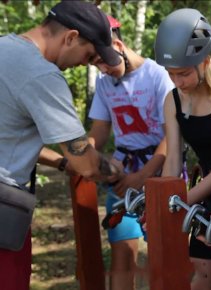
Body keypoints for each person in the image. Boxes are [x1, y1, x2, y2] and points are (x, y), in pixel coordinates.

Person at [0, 1, 123, 290]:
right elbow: (86, 163)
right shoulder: (41, 74)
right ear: (70, 37)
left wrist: (60, 162)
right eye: (88, 55)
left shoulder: (5, 48)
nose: (85, 63)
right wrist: (112, 171)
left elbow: (11, 137)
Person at [87, 15, 174, 290]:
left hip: (160, 173)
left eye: (103, 60)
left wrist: (144, 176)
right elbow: (100, 130)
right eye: (94, 63)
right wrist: (82, 156)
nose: (102, 69)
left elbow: (172, 136)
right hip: (122, 176)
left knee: (163, 256)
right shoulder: (103, 84)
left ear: (118, 45)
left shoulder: (158, 76)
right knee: (121, 254)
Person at [154, 8, 211, 290]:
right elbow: (173, 159)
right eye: (171, 74)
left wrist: (181, 200)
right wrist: (165, 198)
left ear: (205, 61)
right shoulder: (173, 100)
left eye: (183, 73)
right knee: (198, 276)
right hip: (201, 194)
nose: (177, 82)